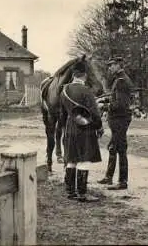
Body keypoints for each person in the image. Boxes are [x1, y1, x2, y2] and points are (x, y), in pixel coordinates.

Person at [60, 58, 104, 202]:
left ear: (73, 74)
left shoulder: (64, 90)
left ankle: (70, 191)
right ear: (84, 75)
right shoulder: (86, 91)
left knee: (72, 159)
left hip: (69, 127)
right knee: (84, 160)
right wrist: (99, 126)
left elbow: (62, 113)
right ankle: (82, 193)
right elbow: (95, 113)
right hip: (85, 128)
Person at [98, 56, 134, 190]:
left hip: (120, 119)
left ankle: (123, 181)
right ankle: (109, 177)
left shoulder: (121, 81)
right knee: (113, 147)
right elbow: (116, 100)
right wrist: (106, 101)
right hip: (118, 119)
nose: (110, 68)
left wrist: (104, 106)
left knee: (120, 149)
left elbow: (121, 104)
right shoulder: (119, 80)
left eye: (112, 65)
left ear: (119, 65)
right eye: (109, 65)